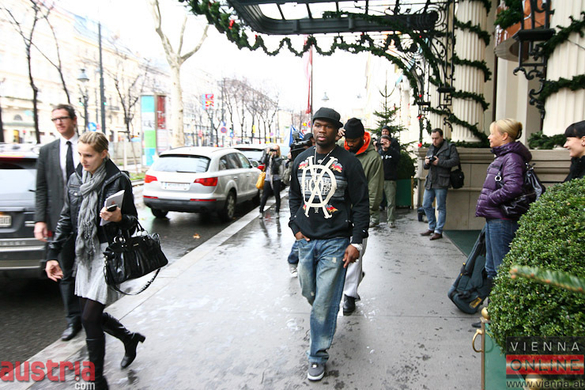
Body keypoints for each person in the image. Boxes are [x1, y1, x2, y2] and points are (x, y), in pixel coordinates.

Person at [45, 132, 144, 389]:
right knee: (93, 316)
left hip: (107, 253)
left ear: (103, 154)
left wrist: (119, 219)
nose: (83, 160)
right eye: (80, 154)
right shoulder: (77, 179)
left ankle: (97, 380)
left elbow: (132, 224)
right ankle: (129, 338)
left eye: (88, 155)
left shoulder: (117, 180)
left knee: (89, 318)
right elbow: (68, 219)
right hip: (84, 253)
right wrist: (52, 254)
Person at [289, 107, 369, 381]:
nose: (321, 130)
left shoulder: (349, 162)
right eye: (317, 125)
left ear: (337, 131)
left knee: (322, 302)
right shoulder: (300, 160)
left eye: (327, 126)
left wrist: (356, 242)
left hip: (336, 242)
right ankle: (327, 310)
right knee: (311, 293)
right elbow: (293, 197)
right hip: (306, 241)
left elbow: (361, 204)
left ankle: (317, 355)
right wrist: (295, 228)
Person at [35, 104, 82, 341]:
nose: (59, 123)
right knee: (65, 272)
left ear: (74, 119)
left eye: (63, 118)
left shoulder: (88, 145)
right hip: (60, 221)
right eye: (55, 119)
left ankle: (94, 315)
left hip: (87, 219)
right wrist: (40, 219)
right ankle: (73, 321)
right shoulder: (47, 151)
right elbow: (41, 187)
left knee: (90, 268)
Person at [475, 118, 531, 293]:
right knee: (492, 268)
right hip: (496, 218)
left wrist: (490, 199)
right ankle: (492, 315)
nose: (490, 137)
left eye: (493, 133)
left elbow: (513, 187)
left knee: (500, 269)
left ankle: (497, 316)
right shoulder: (505, 157)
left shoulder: (511, 158)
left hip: (502, 219)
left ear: (505, 136)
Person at [338, 118, 384, 316]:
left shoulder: (373, 159)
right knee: (340, 254)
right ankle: (351, 282)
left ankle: (349, 295)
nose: (349, 143)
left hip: (358, 213)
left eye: (353, 140)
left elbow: (374, 191)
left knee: (355, 254)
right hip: (338, 213)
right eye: (347, 138)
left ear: (361, 138)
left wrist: (367, 214)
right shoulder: (340, 146)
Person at [420, 128, 460, 240]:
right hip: (431, 181)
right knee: (426, 204)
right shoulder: (431, 147)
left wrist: (439, 162)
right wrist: (426, 162)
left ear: (442, 137)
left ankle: (438, 230)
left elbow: (455, 161)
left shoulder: (450, 147)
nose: (434, 141)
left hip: (442, 181)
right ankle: (431, 227)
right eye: (432, 138)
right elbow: (425, 166)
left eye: (436, 138)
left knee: (440, 207)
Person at [379, 135, 401, 228]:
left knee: (391, 202)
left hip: (390, 180)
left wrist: (390, 148)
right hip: (379, 180)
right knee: (375, 201)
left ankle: (391, 220)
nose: (383, 143)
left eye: (385, 141)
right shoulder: (379, 152)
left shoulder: (393, 152)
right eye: (382, 141)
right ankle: (374, 219)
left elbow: (398, 159)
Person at [258, 145, 284, 218]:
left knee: (277, 195)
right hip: (268, 178)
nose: (274, 152)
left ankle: (277, 211)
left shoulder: (279, 159)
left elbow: (275, 167)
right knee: (265, 195)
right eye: (273, 150)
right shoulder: (268, 157)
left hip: (276, 179)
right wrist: (267, 154)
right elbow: (263, 161)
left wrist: (273, 158)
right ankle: (261, 210)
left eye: (275, 150)